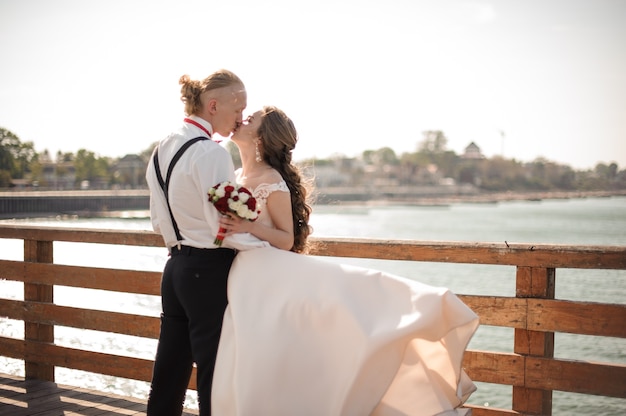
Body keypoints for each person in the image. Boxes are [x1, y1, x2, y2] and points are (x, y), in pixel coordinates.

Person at [211, 106, 480, 415]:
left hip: (267, 275)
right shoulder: (235, 176)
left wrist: (248, 226)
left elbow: (285, 239)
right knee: (252, 354)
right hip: (244, 276)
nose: (241, 120)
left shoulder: (271, 179)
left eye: (250, 119)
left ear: (261, 138)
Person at [145, 69, 264, 416]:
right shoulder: (211, 153)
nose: (240, 117)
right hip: (208, 269)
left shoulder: (162, 147)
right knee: (215, 366)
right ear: (213, 105)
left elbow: (157, 219)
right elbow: (224, 226)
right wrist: (267, 247)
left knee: (171, 363)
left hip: (175, 267)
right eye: (237, 109)